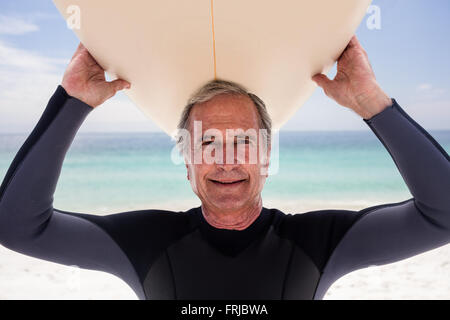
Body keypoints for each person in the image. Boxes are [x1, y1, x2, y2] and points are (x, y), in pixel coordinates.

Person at [0, 35, 449, 300]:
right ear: (187, 160)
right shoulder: (146, 243)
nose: (228, 159)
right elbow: (18, 227)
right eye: (208, 142)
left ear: (267, 156)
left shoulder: (319, 242)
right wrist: (72, 103)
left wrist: (371, 104)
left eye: (244, 141)